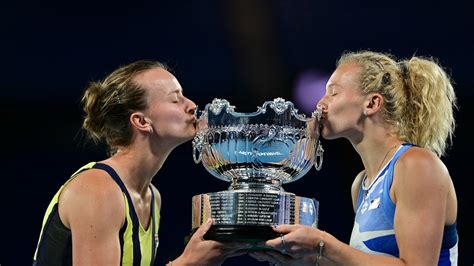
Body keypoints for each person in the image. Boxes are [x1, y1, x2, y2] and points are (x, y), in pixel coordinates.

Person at [251, 50, 459, 265]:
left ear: (372, 104)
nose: (320, 104)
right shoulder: (361, 184)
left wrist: (324, 244)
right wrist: (307, 259)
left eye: (333, 93)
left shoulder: (417, 165)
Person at [33, 60, 250, 265]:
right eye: (175, 99)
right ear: (141, 121)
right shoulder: (97, 189)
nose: (192, 105)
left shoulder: (152, 196)